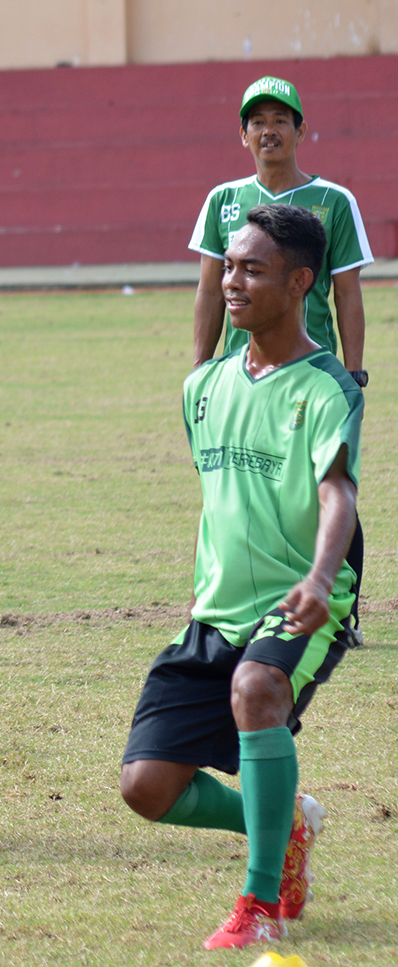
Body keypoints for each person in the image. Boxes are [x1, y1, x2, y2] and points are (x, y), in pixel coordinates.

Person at [121, 204, 361, 951]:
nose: (232, 281)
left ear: (299, 283)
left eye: (252, 269)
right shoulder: (204, 389)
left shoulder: (326, 388)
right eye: (229, 265)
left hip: (304, 597)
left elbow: (338, 495)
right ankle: (285, 815)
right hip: (217, 609)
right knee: (147, 787)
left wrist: (321, 580)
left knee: (258, 688)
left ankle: (261, 898)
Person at [188, 75, 372, 642]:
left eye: (281, 120)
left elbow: (346, 291)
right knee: (243, 480)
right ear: (243, 135)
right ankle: (231, 604)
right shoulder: (224, 201)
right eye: (258, 122)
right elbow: (206, 290)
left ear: (300, 130)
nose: (270, 131)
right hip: (240, 374)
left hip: (306, 372)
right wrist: (201, 366)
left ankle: (342, 605)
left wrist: (355, 370)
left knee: (326, 482)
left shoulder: (333, 201)